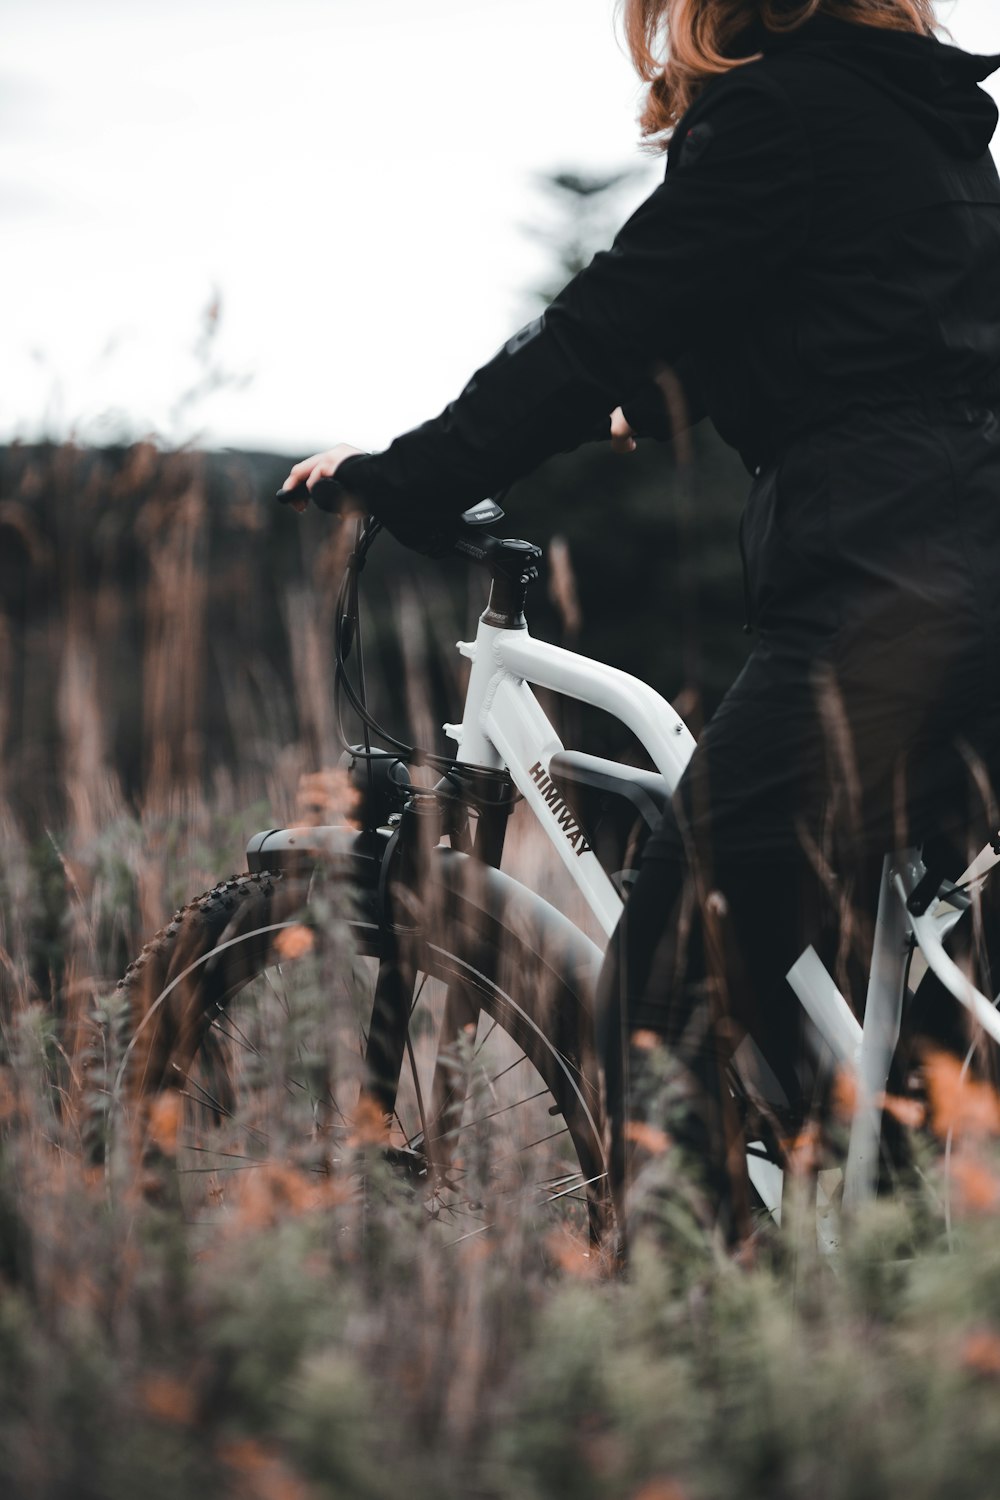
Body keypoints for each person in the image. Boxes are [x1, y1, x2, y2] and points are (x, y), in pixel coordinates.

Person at [280, 0, 1000, 1244]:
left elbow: (599, 329)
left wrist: (406, 478)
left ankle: (719, 1356)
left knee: (659, 990)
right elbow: (879, 320)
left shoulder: (775, 111)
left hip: (885, 594)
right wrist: (666, 406)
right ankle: (883, 1278)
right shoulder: (918, 112)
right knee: (859, 1002)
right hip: (962, 573)